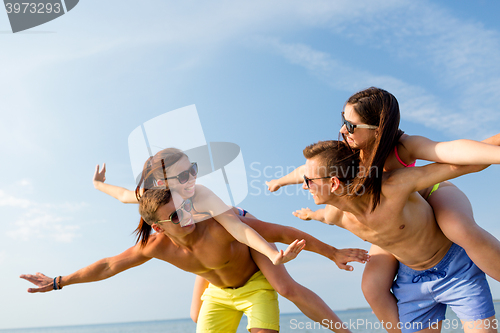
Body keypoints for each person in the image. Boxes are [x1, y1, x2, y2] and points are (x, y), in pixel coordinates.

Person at [266, 87, 500, 332]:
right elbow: (313, 171)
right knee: (372, 285)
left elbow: (453, 154)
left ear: (377, 128)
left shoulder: (403, 147)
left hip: (428, 190)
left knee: (458, 227)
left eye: (351, 124)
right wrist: (283, 185)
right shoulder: (348, 155)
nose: (343, 129)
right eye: (342, 120)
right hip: (390, 218)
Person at [92, 148, 370, 330]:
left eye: (193, 169)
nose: (192, 177)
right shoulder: (157, 200)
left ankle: (342, 330)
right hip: (207, 246)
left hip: (240, 230)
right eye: (183, 175)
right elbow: (123, 195)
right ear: (163, 182)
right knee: (194, 315)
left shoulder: (200, 194)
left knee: (286, 288)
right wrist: (99, 185)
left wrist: (325, 253)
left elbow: (239, 229)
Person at [21, 187, 368, 333]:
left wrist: (333, 252)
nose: (185, 217)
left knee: (287, 288)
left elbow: (278, 230)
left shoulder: (217, 222)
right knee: (195, 311)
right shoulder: (155, 245)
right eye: (174, 217)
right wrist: (57, 282)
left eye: (185, 208)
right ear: (157, 226)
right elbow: (110, 265)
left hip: (253, 282)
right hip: (217, 292)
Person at [298, 139, 498, 333]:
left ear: (333, 183)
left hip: (456, 270)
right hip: (412, 283)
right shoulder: (336, 214)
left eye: (308, 181)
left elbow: (459, 165)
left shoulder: (391, 189)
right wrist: (309, 215)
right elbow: (323, 216)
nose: (305, 186)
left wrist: (493, 144)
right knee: (372, 287)